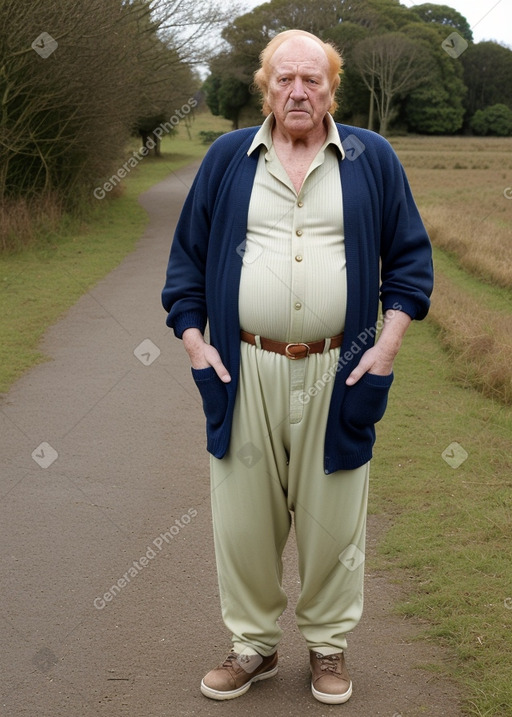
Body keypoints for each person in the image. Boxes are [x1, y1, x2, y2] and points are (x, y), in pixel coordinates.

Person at [162, 29, 433, 705]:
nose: (299, 91)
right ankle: (253, 644)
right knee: (244, 517)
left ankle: (328, 644)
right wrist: (197, 343)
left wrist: (387, 343)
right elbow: (185, 266)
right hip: (243, 366)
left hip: (340, 369)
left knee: (333, 518)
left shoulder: (373, 158)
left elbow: (410, 262)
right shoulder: (228, 158)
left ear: (331, 86)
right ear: (266, 86)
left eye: (312, 79)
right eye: (285, 79)